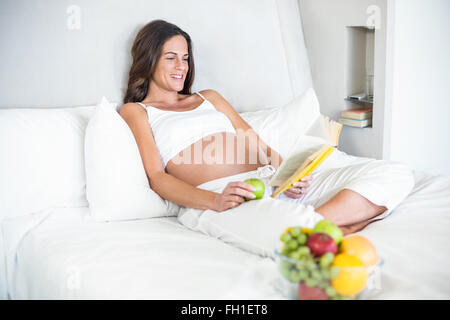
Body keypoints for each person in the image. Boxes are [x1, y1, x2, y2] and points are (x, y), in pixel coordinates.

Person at [119, 20, 414, 251]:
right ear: (149, 59)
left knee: (395, 173)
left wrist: (289, 174)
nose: (181, 66)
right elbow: (157, 177)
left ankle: (318, 228)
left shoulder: (208, 97)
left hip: (270, 180)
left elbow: (256, 142)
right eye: (171, 57)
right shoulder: (137, 112)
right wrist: (214, 200)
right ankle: (334, 226)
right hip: (225, 196)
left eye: (185, 57)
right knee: (282, 230)